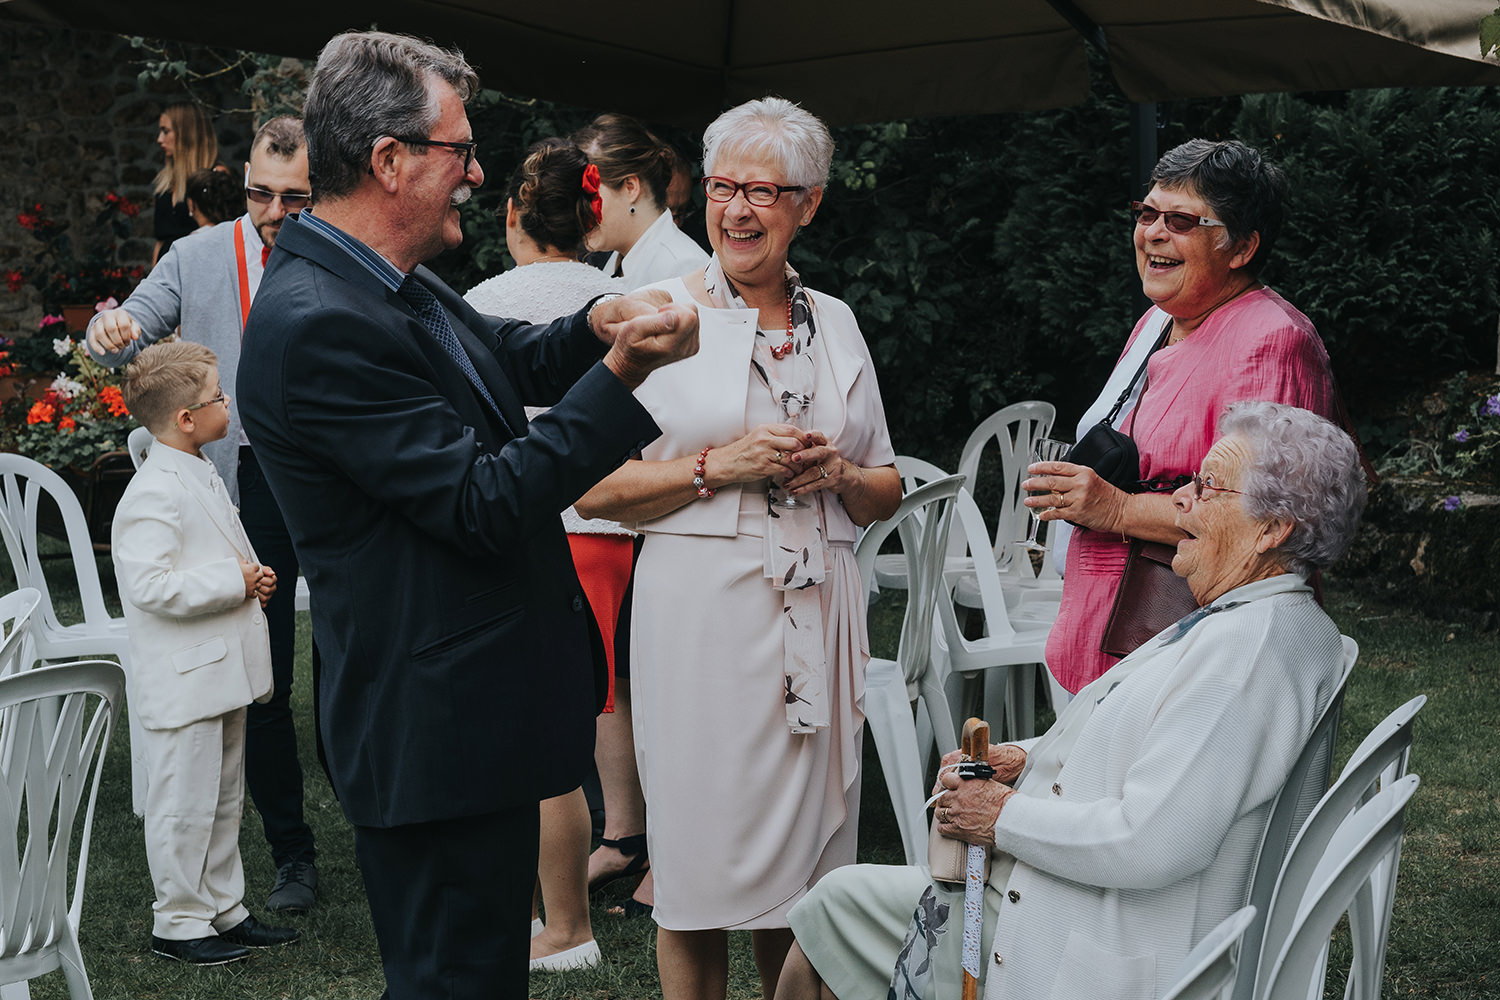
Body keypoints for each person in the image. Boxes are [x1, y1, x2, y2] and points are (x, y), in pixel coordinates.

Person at [235, 30, 698, 999]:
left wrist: (593, 327)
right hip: (430, 727)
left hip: (467, 717)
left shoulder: (372, 276)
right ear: (390, 160)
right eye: (459, 150)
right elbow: (482, 503)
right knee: (455, 983)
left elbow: (494, 356)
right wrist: (624, 375)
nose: (478, 172)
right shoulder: (319, 320)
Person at [777, 400, 1368, 1000]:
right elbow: (1148, 743)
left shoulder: (1247, 653)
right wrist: (1024, 760)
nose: (1182, 499)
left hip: (1080, 942)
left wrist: (999, 815)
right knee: (835, 908)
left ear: (1272, 529)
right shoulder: (1262, 619)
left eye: (1207, 486)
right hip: (1080, 901)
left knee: (831, 915)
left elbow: (1150, 842)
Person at [573, 96, 902, 1000]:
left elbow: (887, 486)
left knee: (810, 887)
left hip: (819, 624)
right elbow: (593, 487)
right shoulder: (653, 314)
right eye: (722, 187)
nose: (737, 210)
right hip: (702, 629)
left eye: (763, 190)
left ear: (810, 203)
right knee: (698, 879)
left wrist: (837, 472)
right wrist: (719, 465)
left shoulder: (835, 320)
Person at [87, 116, 322, 914]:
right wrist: (109, 326)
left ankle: (390, 820)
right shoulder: (196, 254)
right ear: (243, 180)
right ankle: (295, 855)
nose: (273, 211)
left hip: (332, 483)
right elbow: (122, 339)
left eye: (294, 197)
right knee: (265, 672)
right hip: (243, 485)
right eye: (261, 192)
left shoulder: (340, 251)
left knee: (348, 661)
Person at [1027, 138, 1337, 695]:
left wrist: (1115, 506)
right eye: (1147, 213)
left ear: (1241, 247)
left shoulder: (1272, 340)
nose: (1153, 232)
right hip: (1111, 635)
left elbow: (1265, 518)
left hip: (1193, 652)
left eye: (1182, 220)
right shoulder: (1156, 321)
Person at [463, 137, 625, 973]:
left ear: (515, 216)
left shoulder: (480, 303)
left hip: (558, 526)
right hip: (640, 526)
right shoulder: (624, 290)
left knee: (544, 738)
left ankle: (561, 925)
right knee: (615, 710)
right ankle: (628, 847)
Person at [112, 341, 301, 966]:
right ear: (186, 419)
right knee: (183, 804)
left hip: (219, 673)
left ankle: (223, 907)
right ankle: (178, 920)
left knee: (221, 799)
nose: (228, 404)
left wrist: (253, 576)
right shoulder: (151, 492)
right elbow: (150, 586)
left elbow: (214, 551)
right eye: (219, 397)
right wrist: (234, 582)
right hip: (185, 681)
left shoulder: (199, 470)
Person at [571, 113, 710, 921]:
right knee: (631, 685)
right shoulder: (629, 261)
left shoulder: (680, 271)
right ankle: (636, 838)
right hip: (628, 502)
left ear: (629, 188)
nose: (580, 207)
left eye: (590, 188)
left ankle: (669, 856)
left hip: (667, 498)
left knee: (666, 690)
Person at [574, 112, 709, 288]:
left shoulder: (683, 269)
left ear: (631, 187)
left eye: (588, 194)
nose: (577, 210)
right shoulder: (617, 258)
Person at [153, 101, 222, 263]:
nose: (159, 139)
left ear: (186, 134)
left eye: (166, 131)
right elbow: (161, 241)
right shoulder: (166, 182)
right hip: (166, 277)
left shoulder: (214, 176)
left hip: (196, 271)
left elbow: (220, 240)